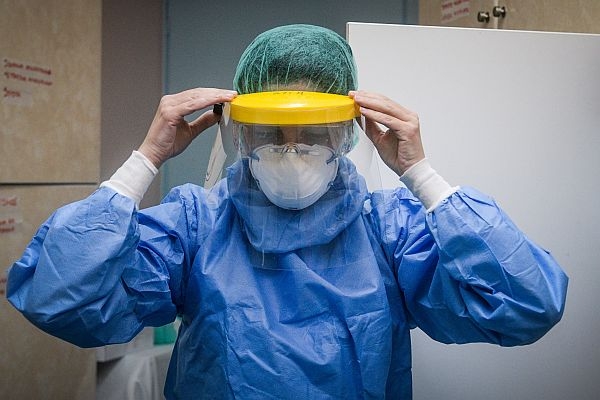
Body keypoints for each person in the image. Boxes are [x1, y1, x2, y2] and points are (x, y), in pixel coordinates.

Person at [7, 24, 568, 399]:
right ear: (242, 132)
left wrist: (420, 174)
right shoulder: (197, 224)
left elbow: (528, 304)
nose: (292, 150)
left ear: (347, 133)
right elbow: (58, 298)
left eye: (315, 132)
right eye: (273, 130)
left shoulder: (389, 229)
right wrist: (145, 158)